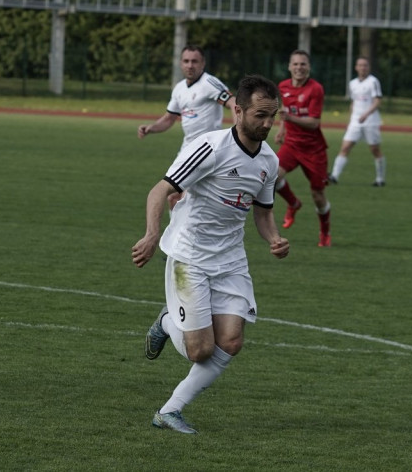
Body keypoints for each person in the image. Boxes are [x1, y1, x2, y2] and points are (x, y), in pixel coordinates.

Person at [131, 74, 290, 435]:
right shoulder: (210, 147)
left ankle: (169, 411)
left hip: (231, 261)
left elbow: (263, 213)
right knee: (200, 350)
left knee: (231, 341)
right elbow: (160, 190)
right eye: (260, 115)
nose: (268, 124)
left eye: (273, 116)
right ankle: (167, 322)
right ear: (238, 111)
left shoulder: (269, 161)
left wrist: (274, 239)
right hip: (189, 257)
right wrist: (152, 234)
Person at [273, 49, 332, 248]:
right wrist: (282, 129)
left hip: (314, 149)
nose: (299, 68)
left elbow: (314, 123)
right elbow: (285, 112)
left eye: (303, 64)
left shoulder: (316, 89)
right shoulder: (283, 86)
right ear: (289, 66)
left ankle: (325, 232)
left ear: (309, 67)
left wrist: (289, 119)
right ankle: (293, 203)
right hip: (292, 144)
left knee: (318, 195)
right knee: (272, 176)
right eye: (296, 64)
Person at [137, 45, 235, 151]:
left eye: (194, 61)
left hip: (208, 147)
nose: (190, 65)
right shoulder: (179, 88)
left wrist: (238, 133)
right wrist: (151, 128)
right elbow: (169, 119)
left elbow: (233, 102)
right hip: (188, 147)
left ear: (203, 63)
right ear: (181, 63)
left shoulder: (209, 83)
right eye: (186, 61)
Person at [329, 56, 386, 187]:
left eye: (365, 65)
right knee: (345, 147)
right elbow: (353, 102)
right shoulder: (352, 83)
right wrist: (350, 119)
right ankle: (334, 176)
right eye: (360, 65)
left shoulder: (373, 81)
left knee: (375, 149)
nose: (362, 68)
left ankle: (380, 179)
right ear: (356, 67)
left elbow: (377, 100)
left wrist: (366, 114)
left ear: (368, 67)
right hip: (355, 121)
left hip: (371, 121)